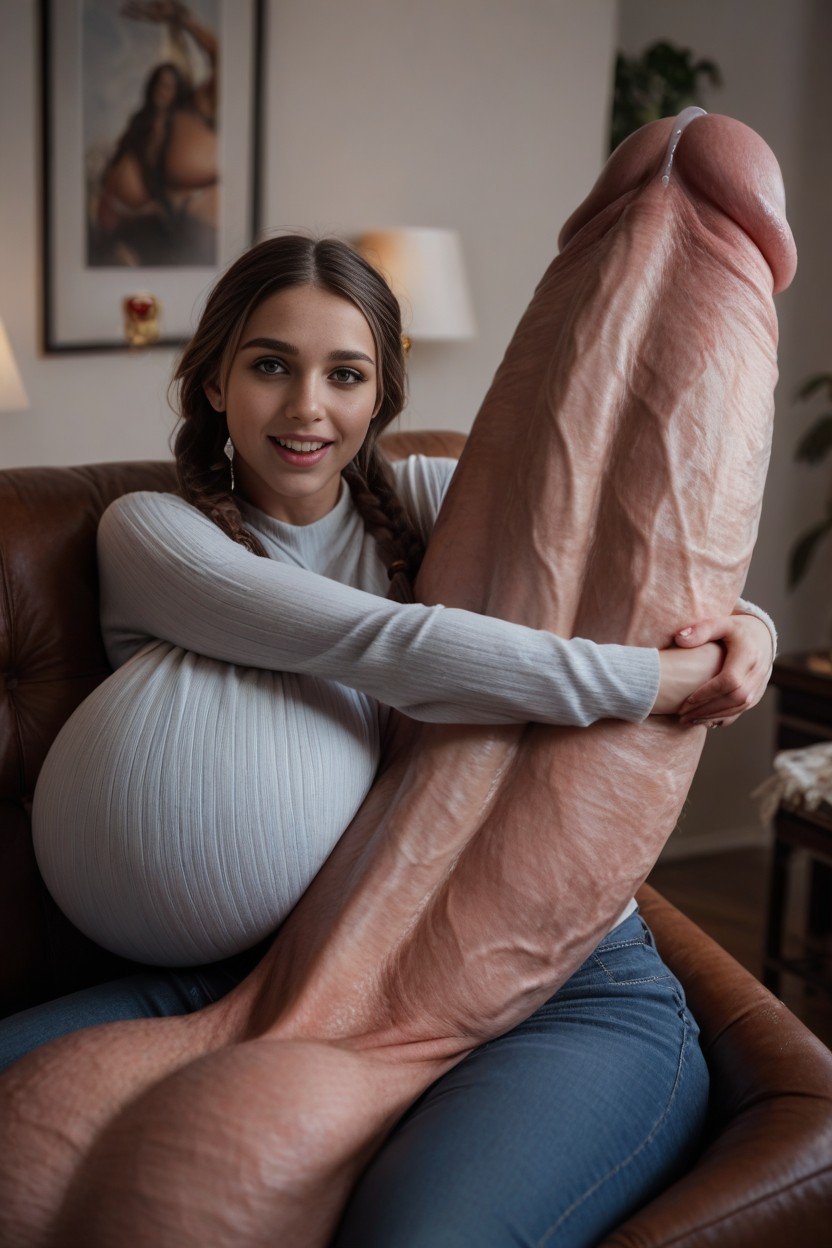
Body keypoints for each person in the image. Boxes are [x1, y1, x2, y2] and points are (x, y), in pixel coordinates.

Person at [0, 235, 776, 1246]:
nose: (307, 406)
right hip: (284, 967)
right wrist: (645, 682)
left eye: (345, 373)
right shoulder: (151, 532)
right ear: (215, 380)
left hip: (560, 974)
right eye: (271, 364)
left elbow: (631, 576)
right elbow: (375, 640)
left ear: (380, 396)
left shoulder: (422, 501)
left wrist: (744, 632)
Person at [90, 1, 218, 266]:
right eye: (159, 84)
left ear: (179, 90)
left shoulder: (190, 114)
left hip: (179, 234)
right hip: (125, 233)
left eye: (170, 86)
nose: (163, 90)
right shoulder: (139, 125)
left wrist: (184, 22)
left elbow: (222, 58)